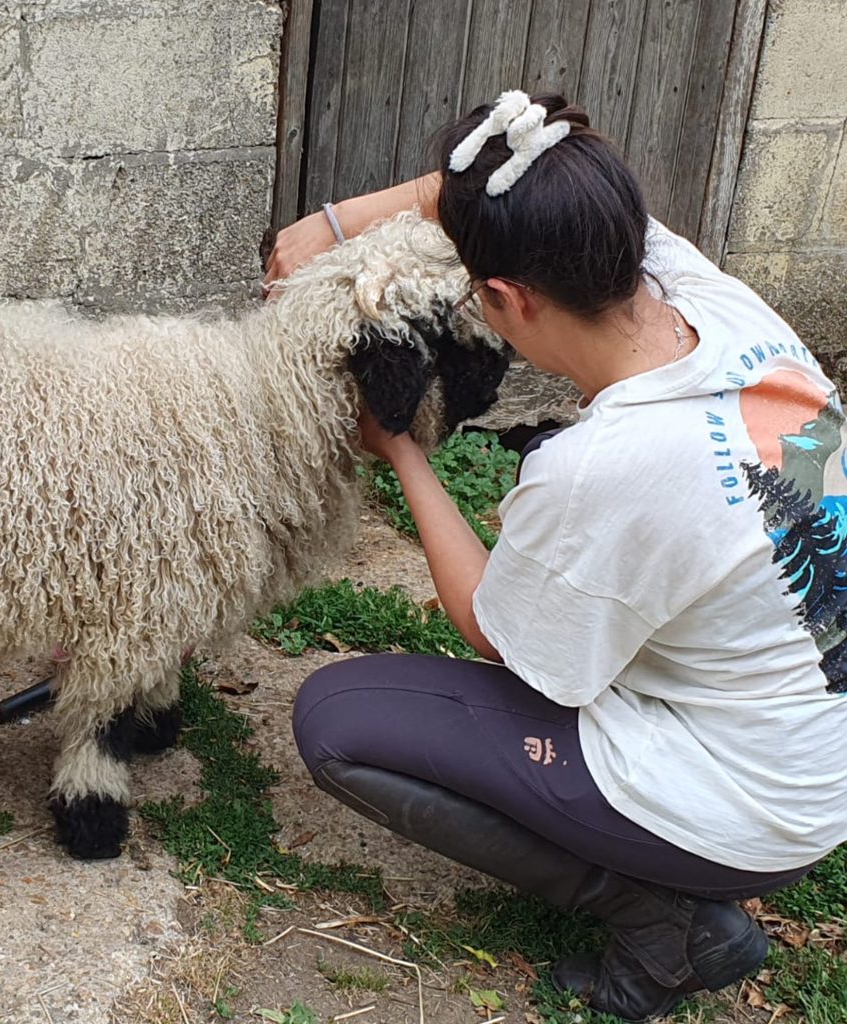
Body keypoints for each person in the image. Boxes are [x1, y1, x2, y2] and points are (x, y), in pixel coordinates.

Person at [267, 91, 847, 1022]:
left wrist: (403, 452)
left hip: (747, 809)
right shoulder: (710, 300)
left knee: (340, 719)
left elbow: (497, 631)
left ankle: (663, 920)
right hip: (815, 758)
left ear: (504, 300)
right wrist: (332, 227)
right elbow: (528, 163)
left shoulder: (608, 468)